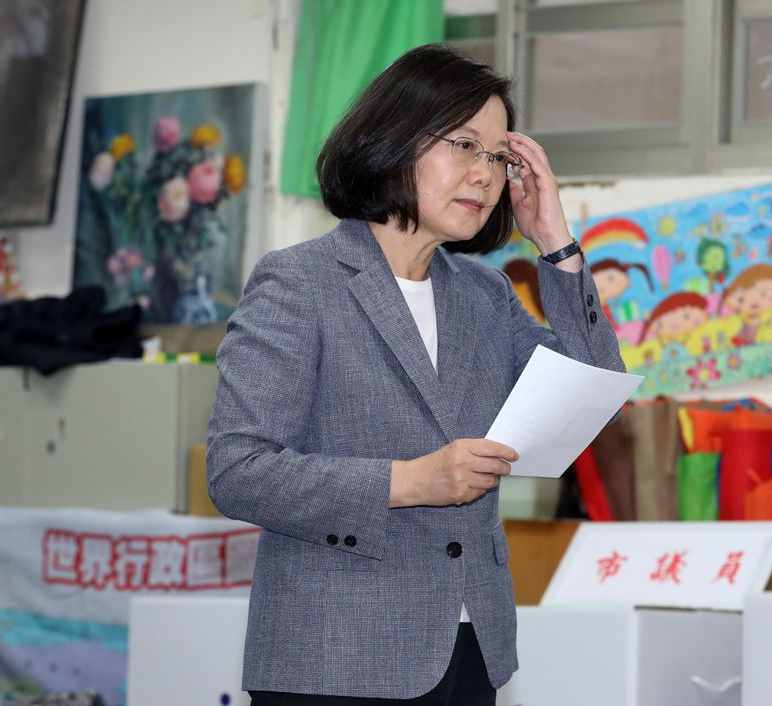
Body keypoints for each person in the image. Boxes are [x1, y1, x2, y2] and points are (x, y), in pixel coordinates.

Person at [205, 45, 626, 706]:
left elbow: (591, 397)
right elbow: (237, 469)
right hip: (335, 657)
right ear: (395, 140)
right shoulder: (300, 283)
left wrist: (557, 247)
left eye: (497, 157)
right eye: (464, 145)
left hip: (469, 649)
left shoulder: (484, 297)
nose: (484, 175)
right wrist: (408, 482)